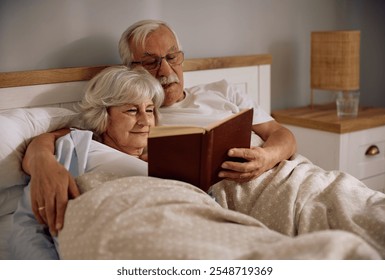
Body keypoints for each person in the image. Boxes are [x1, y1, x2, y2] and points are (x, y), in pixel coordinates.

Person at [23, 19, 297, 236]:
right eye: (151, 61)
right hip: (228, 198)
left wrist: (266, 158)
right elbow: (63, 137)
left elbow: (281, 134)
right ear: (131, 68)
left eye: (172, 56)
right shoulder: (123, 116)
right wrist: (42, 162)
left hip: (285, 172)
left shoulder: (223, 90)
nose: (165, 70)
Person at [10, 65, 165, 259]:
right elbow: (28, 226)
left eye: (149, 110)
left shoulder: (163, 156)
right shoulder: (75, 148)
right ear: (103, 116)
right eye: (132, 110)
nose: (145, 121)